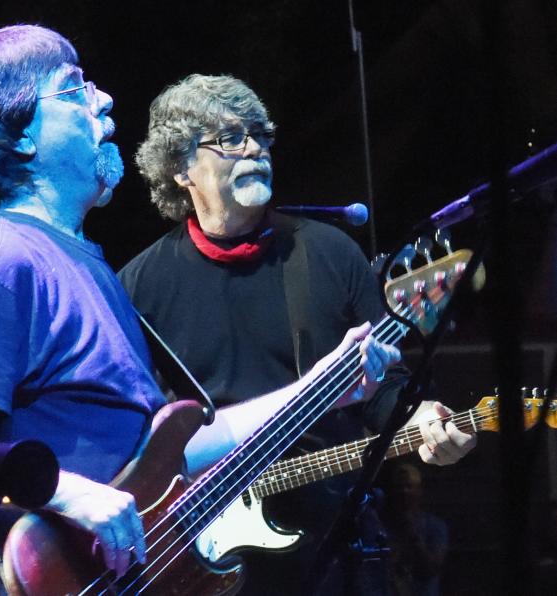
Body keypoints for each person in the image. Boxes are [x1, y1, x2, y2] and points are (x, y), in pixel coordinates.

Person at [0, 27, 401, 592]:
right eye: (73, 89)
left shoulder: (89, 269)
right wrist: (70, 494)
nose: (104, 99)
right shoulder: (0, 257)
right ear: (20, 134)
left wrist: (316, 388)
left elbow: (170, 456)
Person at [118, 74, 477, 594]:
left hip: (329, 541)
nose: (255, 151)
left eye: (260, 136)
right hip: (195, 550)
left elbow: (386, 384)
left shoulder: (327, 253)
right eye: (229, 139)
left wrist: (420, 416)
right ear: (180, 168)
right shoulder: (138, 286)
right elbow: (136, 431)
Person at [383, 463, 449, 596]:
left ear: (419, 490)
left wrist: (412, 535)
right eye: (399, 487)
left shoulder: (435, 526)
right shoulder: (379, 525)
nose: (404, 492)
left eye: (409, 486)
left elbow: (431, 569)